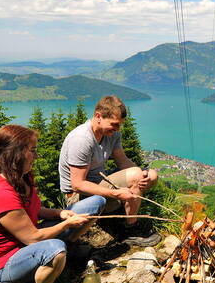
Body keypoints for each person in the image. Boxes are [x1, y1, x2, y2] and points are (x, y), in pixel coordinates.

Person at [0, 125, 105, 283]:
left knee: (95, 203)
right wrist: (67, 224)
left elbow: (35, 210)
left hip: (29, 245)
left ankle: (69, 249)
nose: (36, 156)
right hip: (8, 262)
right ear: (16, 153)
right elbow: (33, 238)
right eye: (32, 151)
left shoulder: (22, 177)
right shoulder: (1, 194)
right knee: (56, 249)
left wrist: (60, 213)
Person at [58, 95, 161, 247]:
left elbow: (123, 161)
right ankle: (131, 230)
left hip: (98, 183)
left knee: (151, 175)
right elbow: (77, 185)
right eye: (114, 124)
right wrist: (116, 193)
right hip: (78, 199)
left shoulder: (111, 134)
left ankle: (124, 215)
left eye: (119, 125)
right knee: (135, 176)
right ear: (98, 116)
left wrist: (143, 176)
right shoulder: (81, 139)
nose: (117, 129)